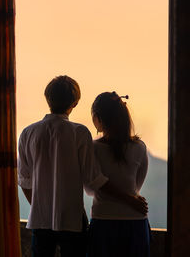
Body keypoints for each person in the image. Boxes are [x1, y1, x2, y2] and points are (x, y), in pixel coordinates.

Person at [18, 76, 148, 257]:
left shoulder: (27, 133)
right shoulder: (79, 133)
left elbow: (24, 180)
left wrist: (40, 206)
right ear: (75, 103)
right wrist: (130, 199)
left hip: (40, 219)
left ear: (47, 97)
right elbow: (93, 180)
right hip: (72, 219)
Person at [87, 91, 151, 257]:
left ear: (98, 119)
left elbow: (93, 185)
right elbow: (136, 185)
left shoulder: (93, 148)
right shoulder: (139, 147)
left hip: (104, 221)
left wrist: (124, 197)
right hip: (136, 222)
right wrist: (130, 199)